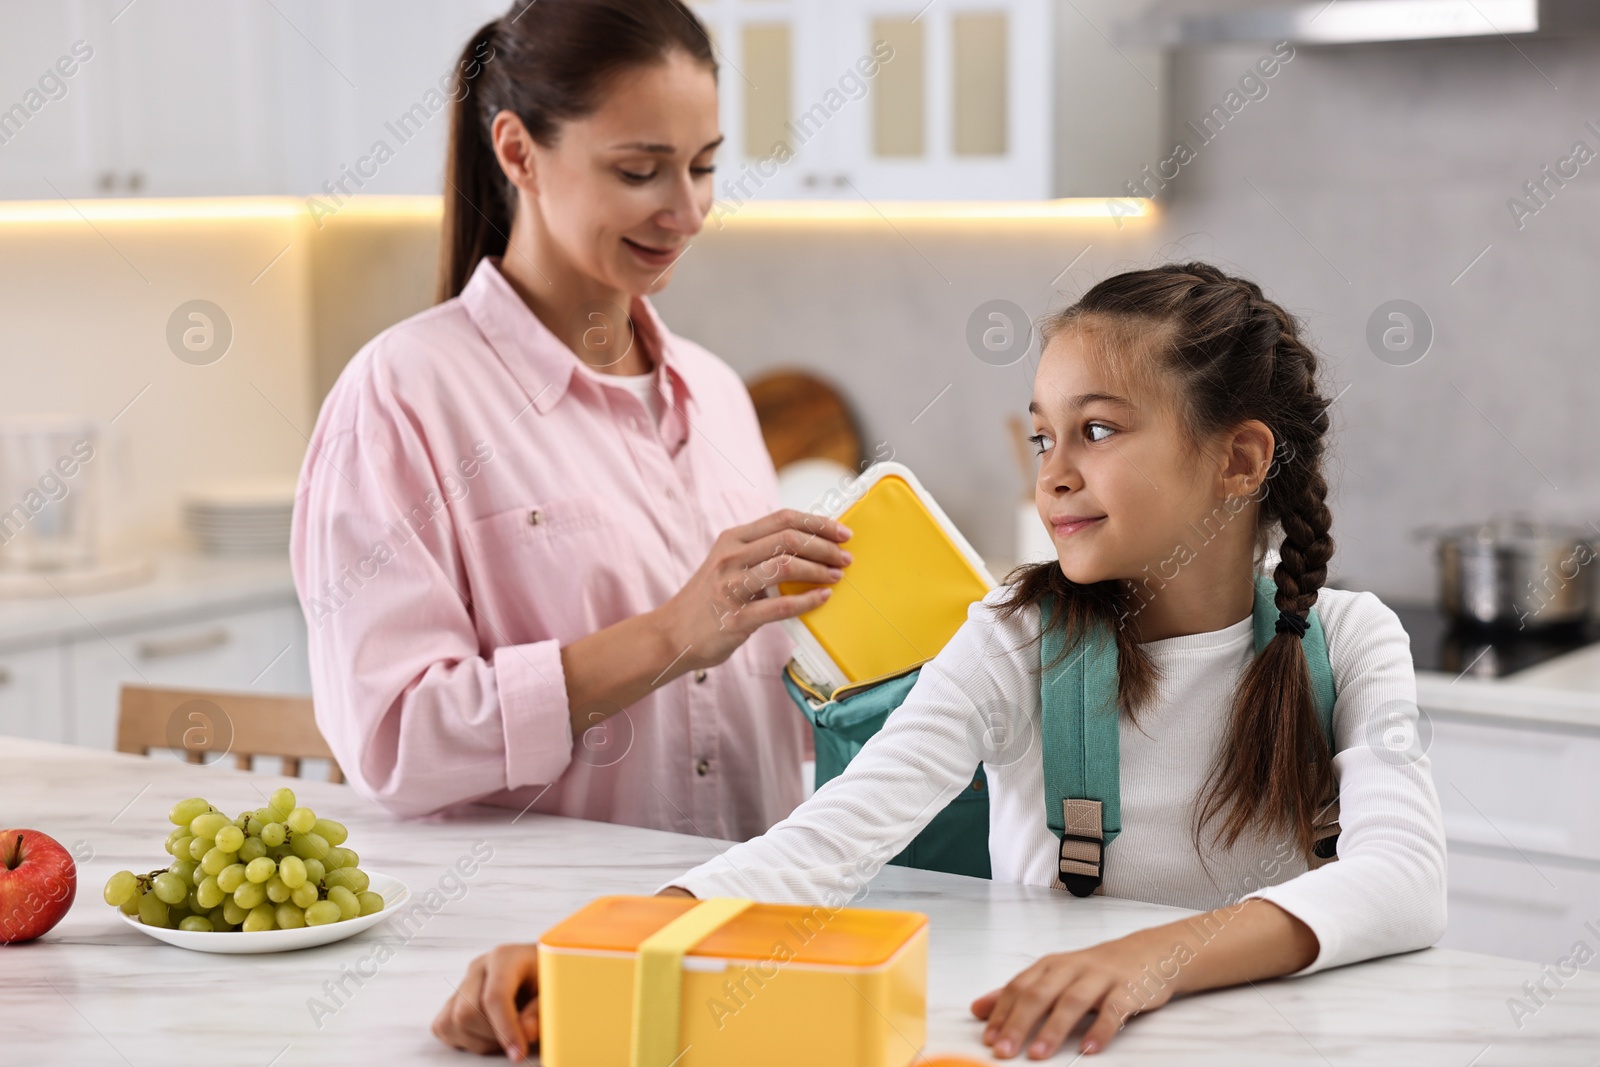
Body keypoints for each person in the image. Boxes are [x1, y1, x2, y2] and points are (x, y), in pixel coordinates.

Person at [432, 263, 1447, 1061]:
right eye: (1044, 433)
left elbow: (1403, 879)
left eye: (1096, 430)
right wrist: (600, 948)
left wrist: (1155, 957)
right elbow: (826, 841)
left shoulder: (1349, 641)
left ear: (1239, 458)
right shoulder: (1012, 637)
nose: (1052, 472)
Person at [290, 0, 851, 840]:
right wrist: (667, 634)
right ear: (518, 151)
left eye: (702, 166)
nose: (688, 211)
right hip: (544, 943)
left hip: (746, 920)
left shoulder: (717, 392)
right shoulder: (404, 395)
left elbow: (770, 696)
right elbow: (395, 740)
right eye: (639, 171)